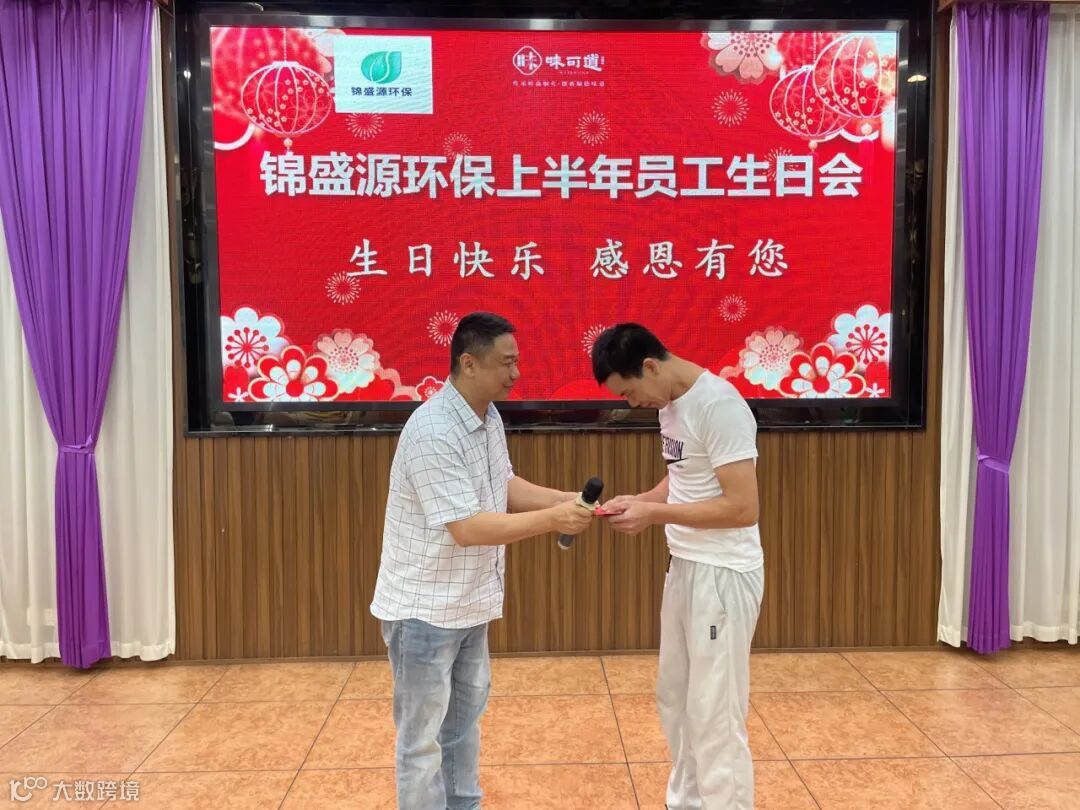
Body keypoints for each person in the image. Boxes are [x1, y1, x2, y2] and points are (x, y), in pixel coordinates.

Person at [370, 311, 593, 810]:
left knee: (462, 725)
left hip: (470, 603)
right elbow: (467, 527)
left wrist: (566, 499)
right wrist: (554, 519)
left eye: (517, 361)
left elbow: (502, 485)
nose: (517, 373)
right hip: (425, 612)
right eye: (506, 363)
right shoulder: (433, 430)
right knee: (422, 742)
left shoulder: (487, 416)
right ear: (469, 363)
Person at [591, 323, 764, 810]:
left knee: (714, 711)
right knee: (676, 696)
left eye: (629, 392)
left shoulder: (720, 405)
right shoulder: (670, 404)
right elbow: (684, 480)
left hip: (722, 574)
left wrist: (654, 515)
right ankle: (686, 801)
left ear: (650, 366)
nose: (632, 403)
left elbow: (742, 508)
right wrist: (641, 502)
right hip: (685, 565)